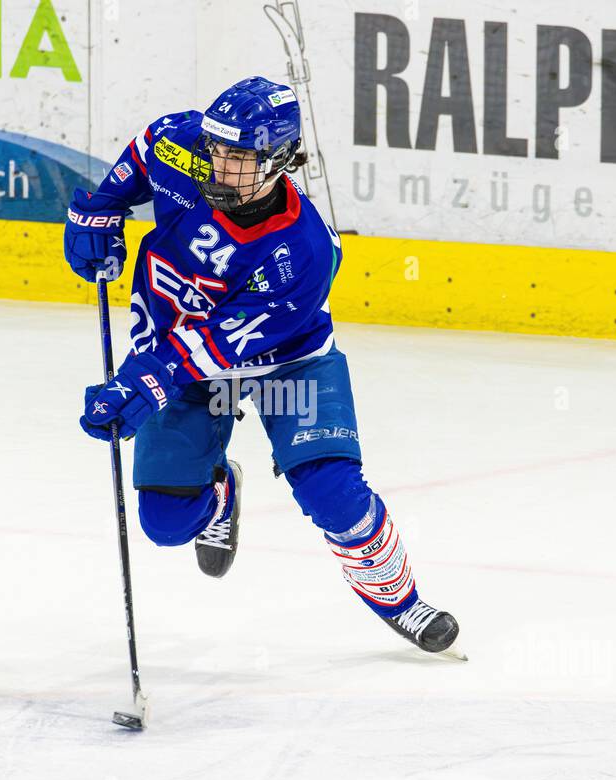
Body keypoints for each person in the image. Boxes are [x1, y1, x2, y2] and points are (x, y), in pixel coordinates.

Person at [63, 76, 460, 655]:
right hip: (181, 346)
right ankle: (219, 491)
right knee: (166, 524)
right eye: (217, 149)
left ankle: (403, 602)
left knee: (332, 492)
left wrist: (143, 381)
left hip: (283, 369)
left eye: (239, 158)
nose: (219, 167)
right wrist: (97, 214)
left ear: (278, 162)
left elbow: (214, 346)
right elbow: (148, 150)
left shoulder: (303, 251)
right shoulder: (185, 148)